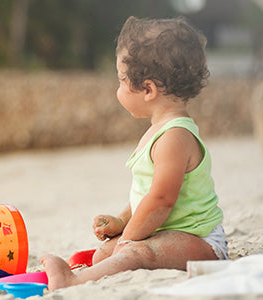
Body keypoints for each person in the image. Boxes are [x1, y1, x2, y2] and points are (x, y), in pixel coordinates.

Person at [41, 16, 229, 290]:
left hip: (201, 241)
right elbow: (149, 193)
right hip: (171, 232)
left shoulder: (174, 137)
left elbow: (162, 200)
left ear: (148, 89)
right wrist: (122, 222)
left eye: (121, 80)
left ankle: (72, 281)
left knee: (134, 252)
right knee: (106, 252)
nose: (118, 88)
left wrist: (128, 239)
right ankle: (97, 265)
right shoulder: (159, 131)